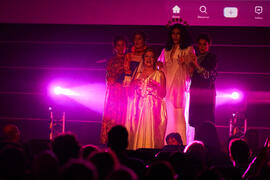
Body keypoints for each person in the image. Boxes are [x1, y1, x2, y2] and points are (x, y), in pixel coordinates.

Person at [158, 23, 197, 145]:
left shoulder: (188, 49)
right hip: (167, 84)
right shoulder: (166, 50)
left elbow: (192, 70)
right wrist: (159, 66)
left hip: (180, 85)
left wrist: (185, 62)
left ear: (182, 35)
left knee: (179, 115)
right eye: (173, 33)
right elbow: (159, 64)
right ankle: (166, 144)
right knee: (168, 115)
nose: (175, 36)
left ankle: (182, 144)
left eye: (178, 33)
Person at [126, 48, 167, 150]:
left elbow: (163, 94)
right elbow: (130, 94)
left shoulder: (159, 74)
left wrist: (157, 86)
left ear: (155, 59)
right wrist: (133, 84)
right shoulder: (137, 73)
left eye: (151, 57)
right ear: (143, 59)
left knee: (151, 132)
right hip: (138, 109)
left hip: (153, 110)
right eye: (146, 56)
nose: (149, 59)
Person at [100, 36, 127, 144]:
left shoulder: (129, 59)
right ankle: (110, 141)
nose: (121, 48)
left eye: (123, 45)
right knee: (112, 116)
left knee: (124, 116)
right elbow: (109, 78)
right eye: (118, 45)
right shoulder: (111, 61)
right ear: (115, 47)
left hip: (125, 92)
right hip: (113, 92)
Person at [189, 33, 217, 132]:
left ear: (209, 45)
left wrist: (196, 65)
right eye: (200, 44)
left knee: (206, 120)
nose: (202, 47)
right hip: (195, 92)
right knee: (196, 121)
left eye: (204, 44)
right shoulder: (195, 57)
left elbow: (207, 76)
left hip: (206, 93)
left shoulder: (212, 57)